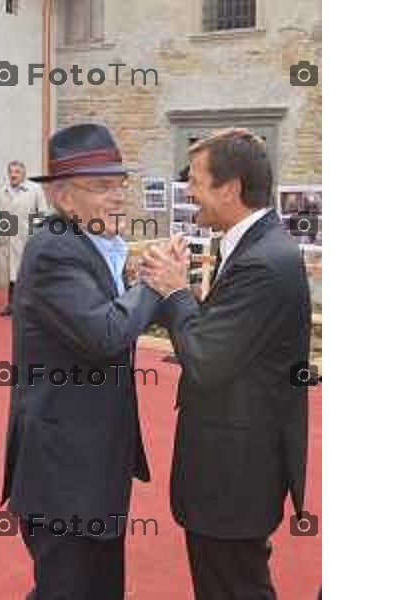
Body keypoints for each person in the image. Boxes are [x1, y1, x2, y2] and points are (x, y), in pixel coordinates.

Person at [140, 128, 311, 600]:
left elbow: (206, 359)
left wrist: (175, 290)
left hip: (235, 475)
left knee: (233, 589)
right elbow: (228, 335)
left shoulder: (263, 261)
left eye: (194, 181)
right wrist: (189, 294)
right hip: (237, 467)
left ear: (230, 188)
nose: (188, 193)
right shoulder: (257, 247)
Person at [0, 124, 164, 600]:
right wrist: (155, 284)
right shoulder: (53, 248)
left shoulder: (88, 243)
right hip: (64, 473)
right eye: (101, 187)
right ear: (64, 198)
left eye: (120, 185)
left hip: (92, 464)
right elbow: (105, 333)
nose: (117, 198)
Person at [0, 161, 50, 316]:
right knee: (11, 274)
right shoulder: (2, 191)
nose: (13, 175)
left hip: (26, 237)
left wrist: (36, 235)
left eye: (17, 172)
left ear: (23, 174)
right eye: (11, 172)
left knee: (26, 272)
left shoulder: (34, 189)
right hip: (9, 238)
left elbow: (42, 213)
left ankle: (28, 305)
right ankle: (11, 304)